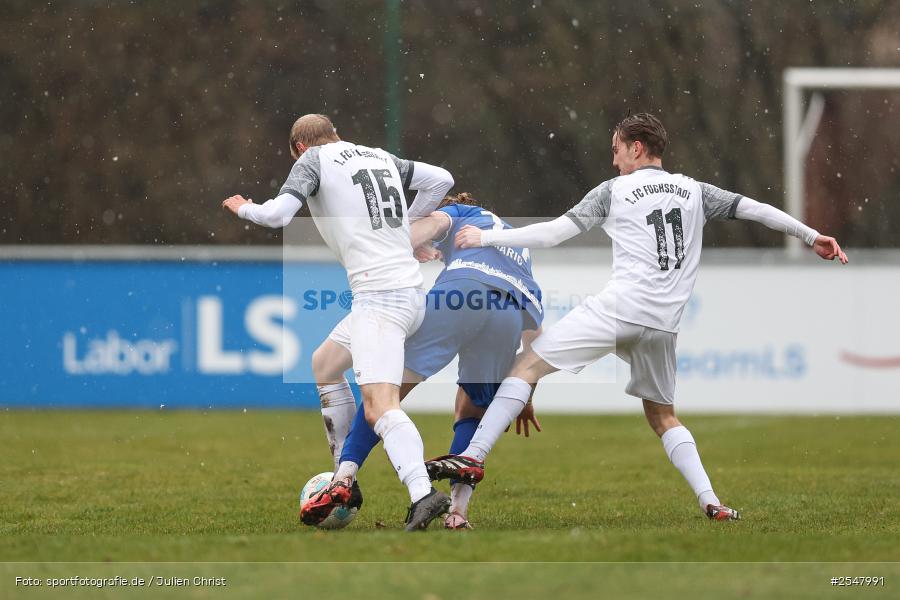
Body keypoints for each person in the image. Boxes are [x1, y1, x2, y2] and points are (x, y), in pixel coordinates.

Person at [428, 112, 849, 522]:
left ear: (636, 147)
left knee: (525, 368)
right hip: (663, 326)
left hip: (618, 310)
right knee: (663, 416)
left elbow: (556, 233)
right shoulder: (695, 190)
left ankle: (473, 457)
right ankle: (711, 502)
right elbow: (755, 208)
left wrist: (488, 236)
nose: (614, 160)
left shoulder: (616, 190)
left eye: (617, 150)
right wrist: (811, 236)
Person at [222, 113, 455, 531]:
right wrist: (401, 233)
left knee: (380, 407)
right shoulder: (378, 156)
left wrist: (244, 208)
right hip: (404, 295)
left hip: (381, 302)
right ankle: (343, 480)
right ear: (336, 135)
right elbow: (441, 179)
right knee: (324, 364)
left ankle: (423, 493)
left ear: (298, 148)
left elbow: (278, 216)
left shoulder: (313, 160)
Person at [309, 193, 544, 529]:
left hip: (459, 295)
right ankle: (458, 514)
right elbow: (536, 341)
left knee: (383, 396)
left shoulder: (457, 212)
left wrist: (393, 248)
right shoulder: (514, 242)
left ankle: (344, 477)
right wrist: (526, 394)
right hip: (508, 315)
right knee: (470, 411)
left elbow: (430, 225)